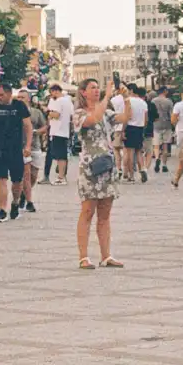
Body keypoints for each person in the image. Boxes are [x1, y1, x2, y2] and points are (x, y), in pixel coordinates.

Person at [74, 78, 122, 269]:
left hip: (107, 164)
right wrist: (108, 95)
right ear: (83, 92)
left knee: (105, 213)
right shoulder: (79, 113)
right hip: (89, 167)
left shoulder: (106, 111)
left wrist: (125, 99)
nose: (96, 90)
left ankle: (106, 255)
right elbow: (93, 119)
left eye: (98, 87)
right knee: (87, 211)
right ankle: (83, 256)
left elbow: (124, 118)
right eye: (92, 88)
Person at [0, 82, 32, 222]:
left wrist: (27, 146)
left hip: (15, 148)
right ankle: (2, 209)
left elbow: (28, 126)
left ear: (9, 94)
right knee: (1, 178)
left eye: (1, 94)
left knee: (17, 180)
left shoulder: (19, 106)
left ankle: (15, 203)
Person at [17, 89, 43, 212]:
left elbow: (45, 126)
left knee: (33, 176)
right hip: (22, 147)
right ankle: (29, 201)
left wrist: (37, 132)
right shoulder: (15, 112)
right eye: (19, 97)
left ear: (28, 98)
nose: (20, 99)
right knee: (26, 175)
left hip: (35, 146)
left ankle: (24, 194)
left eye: (22, 97)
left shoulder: (36, 112)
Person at [46, 83, 74, 185]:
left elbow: (56, 115)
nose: (52, 95)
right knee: (63, 155)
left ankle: (61, 177)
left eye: (52, 92)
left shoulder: (58, 101)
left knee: (59, 156)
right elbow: (71, 114)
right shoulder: (68, 101)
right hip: (64, 130)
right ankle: (62, 176)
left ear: (56, 91)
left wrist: (49, 114)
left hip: (57, 130)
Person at [123, 84, 150, 182]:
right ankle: (142, 169)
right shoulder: (143, 103)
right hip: (140, 127)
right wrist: (143, 127)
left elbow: (126, 116)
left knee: (130, 152)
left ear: (131, 91)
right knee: (138, 151)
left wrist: (123, 130)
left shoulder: (128, 101)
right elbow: (146, 119)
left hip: (130, 127)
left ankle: (131, 176)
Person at [152, 87, 174, 172]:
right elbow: (172, 114)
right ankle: (164, 165)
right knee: (165, 146)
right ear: (165, 91)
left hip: (156, 125)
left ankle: (157, 158)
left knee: (156, 145)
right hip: (167, 125)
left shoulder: (153, 101)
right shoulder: (169, 101)